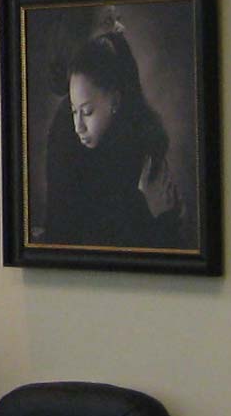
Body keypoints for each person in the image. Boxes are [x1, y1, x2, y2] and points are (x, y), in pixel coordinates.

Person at [40, 15, 183, 249]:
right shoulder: (67, 130)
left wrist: (158, 214)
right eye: (107, 21)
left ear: (115, 101)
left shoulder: (140, 133)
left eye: (86, 112)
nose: (119, 27)